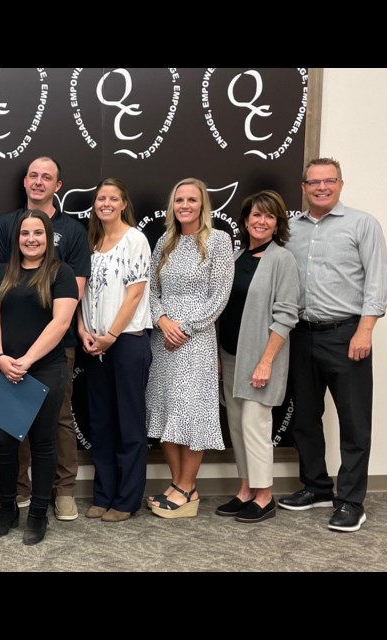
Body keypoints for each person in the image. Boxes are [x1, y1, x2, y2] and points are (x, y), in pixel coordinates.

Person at [0, 156, 90, 522]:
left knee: (55, 424)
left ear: (58, 185)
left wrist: (29, 358)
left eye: (47, 177)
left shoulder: (71, 237)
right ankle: (16, 494)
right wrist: (1, 357)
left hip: (51, 355)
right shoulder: (4, 228)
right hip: (6, 357)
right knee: (9, 431)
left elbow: (66, 308)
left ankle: (61, 493)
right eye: (33, 175)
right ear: (24, 181)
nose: (39, 182)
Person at [280, 158, 386, 532]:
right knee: (305, 418)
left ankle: (351, 501)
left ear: (341, 184)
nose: (321, 187)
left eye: (329, 181)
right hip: (300, 333)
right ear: (303, 186)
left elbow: (377, 281)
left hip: (347, 335)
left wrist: (366, 329)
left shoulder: (363, 224)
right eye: (314, 182)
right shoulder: (290, 229)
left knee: (354, 423)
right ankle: (317, 487)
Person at [0, 210, 77, 545]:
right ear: (17, 238)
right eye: (25, 233)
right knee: (3, 443)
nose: (31, 239)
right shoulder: (2, 273)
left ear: (48, 237)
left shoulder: (60, 272)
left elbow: (60, 323)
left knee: (43, 443)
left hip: (44, 368)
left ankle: (38, 513)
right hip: (7, 368)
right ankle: (8, 509)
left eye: (38, 233)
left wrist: (26, 360)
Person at [146, 177, 233, 518]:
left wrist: (185, 327)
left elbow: (219, 296)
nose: (184, 205)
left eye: (191, 200)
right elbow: (151, 291)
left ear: (202, 205)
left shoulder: (218, 241)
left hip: (196, 341)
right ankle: (179, 484)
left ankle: (186, 487)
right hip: (162, 339)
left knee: (192, 413)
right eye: (179, 199)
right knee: (166, 410)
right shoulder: (164, 242)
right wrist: (163, 320)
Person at [215, 190, 300, 524]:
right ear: (245, 220)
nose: (261, 221)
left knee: (255, 426)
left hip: (262, 359)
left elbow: (287, 316)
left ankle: (265, 496)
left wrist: (266, 361)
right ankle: (245, 490)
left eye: (269, 216)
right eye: (255, 215)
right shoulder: (235, 258)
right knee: (236, 426)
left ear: (277, 223)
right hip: (231, 355)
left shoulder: (283, 260)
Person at [76, 178, 151, 523]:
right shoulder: (90, 242)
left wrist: (112, 335)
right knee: (101, 423)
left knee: (129, 424)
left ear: (123, 204)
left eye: (112, 198)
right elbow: (80, 292)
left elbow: (135, 294)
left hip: (126, 344)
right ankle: (102, 494)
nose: (105, 203)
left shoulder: (135, 239)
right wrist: (82, 328)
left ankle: (126, 499)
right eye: (100, 197)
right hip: (94, 346)